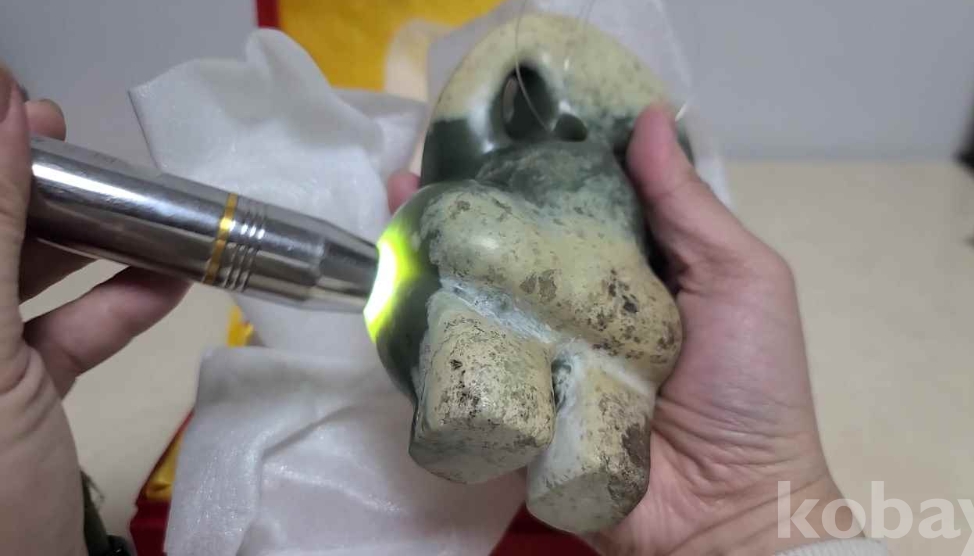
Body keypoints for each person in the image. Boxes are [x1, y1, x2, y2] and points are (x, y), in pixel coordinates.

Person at [0, 64, 884, 555]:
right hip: (604, 316)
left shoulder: (478, 208)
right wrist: (759, 524)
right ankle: (528, 412)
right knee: (502, 313)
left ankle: (514, 406)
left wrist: (752, 519)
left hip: (560, 296)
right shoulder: (502, 209)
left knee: (475, 271)